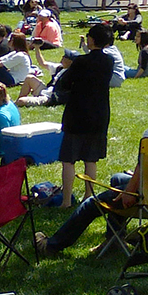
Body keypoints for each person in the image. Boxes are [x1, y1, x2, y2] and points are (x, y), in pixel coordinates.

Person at [36, 99, 148, 255]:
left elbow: (141, 167)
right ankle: (114, 239)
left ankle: (52, 245)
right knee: (117, 178)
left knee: (89, 205)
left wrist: (129, 191)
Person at [54, 22, 117, 208]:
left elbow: (64, 83)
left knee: (68, 159)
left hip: (77, 114)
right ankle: (89, 198)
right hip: (99, 114)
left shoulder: (81, 61)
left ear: (92, 39)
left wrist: (67, 68)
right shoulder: (109, 61)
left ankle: (66, 201)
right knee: (91, 159)